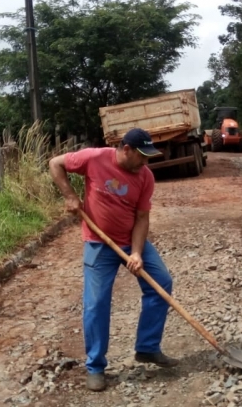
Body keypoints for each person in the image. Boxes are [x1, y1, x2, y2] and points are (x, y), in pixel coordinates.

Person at [48, 127, 178, 392]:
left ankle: (147, 347)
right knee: (96, 303)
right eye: (142, 156)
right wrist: (70, 196)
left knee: (161, 283)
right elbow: (55, 163)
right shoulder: (94, 158)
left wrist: (137, 253)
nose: (145, 162)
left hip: (130, 240)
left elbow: (142, 218)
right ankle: (95, 367)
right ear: (126, 150)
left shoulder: (146, 177)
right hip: (98, 242)